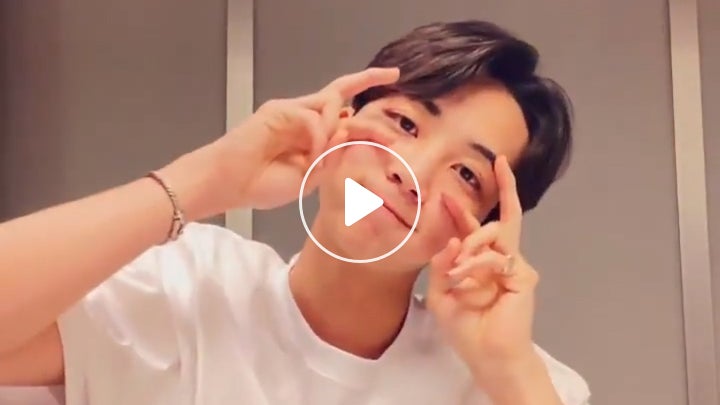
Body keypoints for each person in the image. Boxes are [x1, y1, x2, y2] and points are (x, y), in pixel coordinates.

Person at [0, 20, 590, 404]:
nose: (409, 173)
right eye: (405, 123)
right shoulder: (189, 286)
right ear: (341, 122)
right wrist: (200, 182)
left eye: (466, 174)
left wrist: (509, 373)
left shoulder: (511, 379)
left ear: (488, 226)